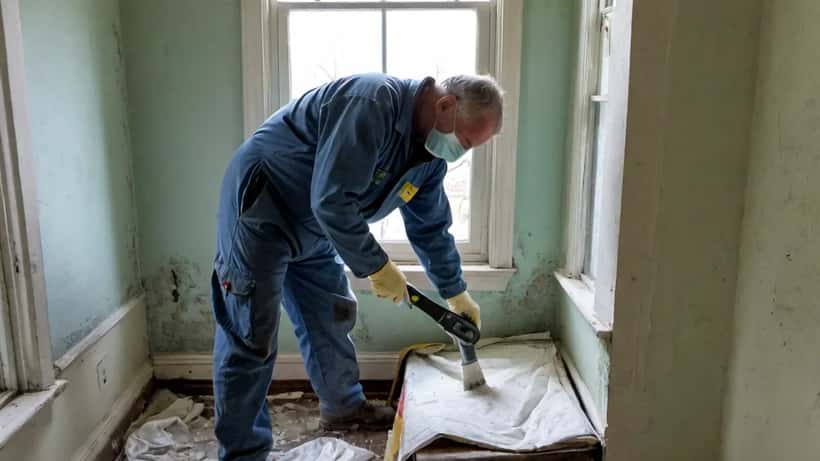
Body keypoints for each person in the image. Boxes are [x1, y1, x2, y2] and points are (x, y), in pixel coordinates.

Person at [211, 72, 504, 461]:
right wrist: (377, 267)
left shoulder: (429, 161)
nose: (460, 153)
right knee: (251, 333)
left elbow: (431, 228)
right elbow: (332, 200)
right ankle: (242, 453)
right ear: (446, 106)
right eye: (464, 142)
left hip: (317, 228)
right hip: (263, 209)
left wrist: (455, 291)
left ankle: (343, 407)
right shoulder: (372, 103)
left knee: (332, 314)